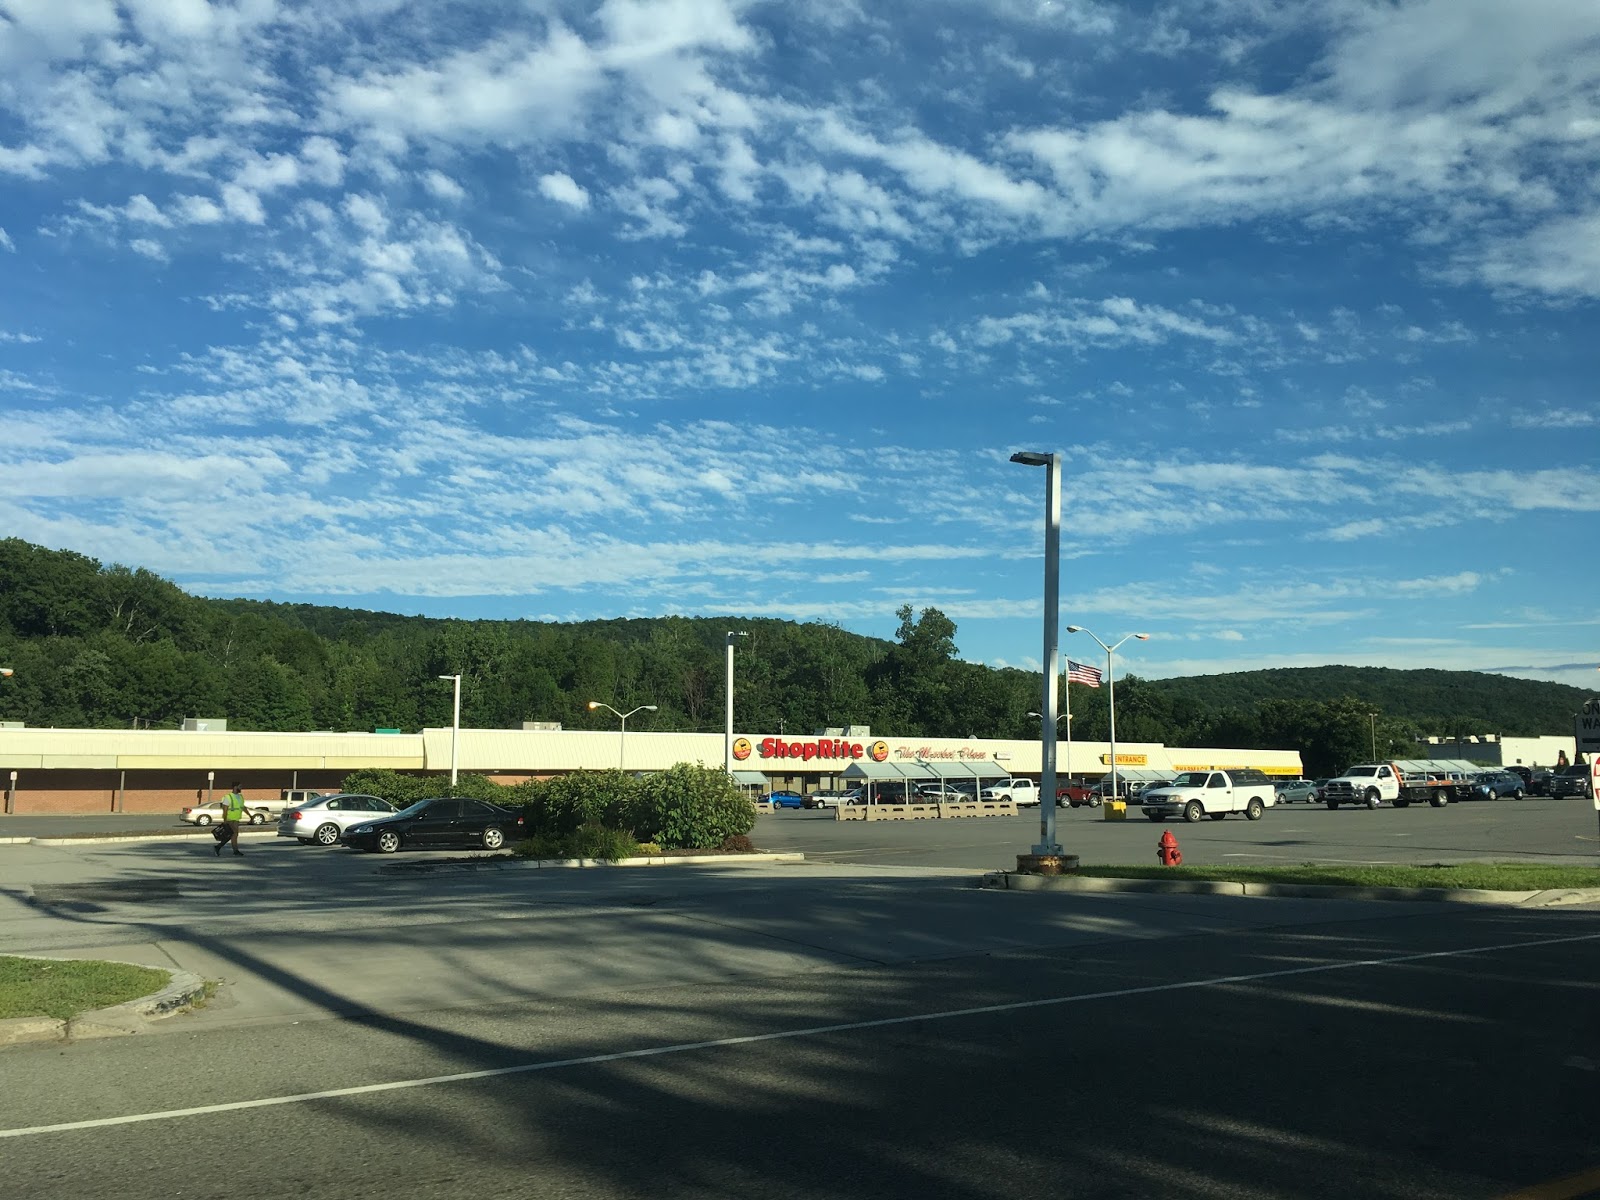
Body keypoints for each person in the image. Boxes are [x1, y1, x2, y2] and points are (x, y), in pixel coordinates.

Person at [216, 782, 246, 857]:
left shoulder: (240, 797)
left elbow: (242, 807)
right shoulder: (228, 797)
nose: (241, 788)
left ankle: (219, 847)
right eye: (240, 786)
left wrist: (249, 815)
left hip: (236, 818)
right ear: (235, 787)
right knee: (234, 834)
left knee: (232, 835)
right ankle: (235, 850)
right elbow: (225, 809)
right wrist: (225, 819)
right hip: (230, 818)